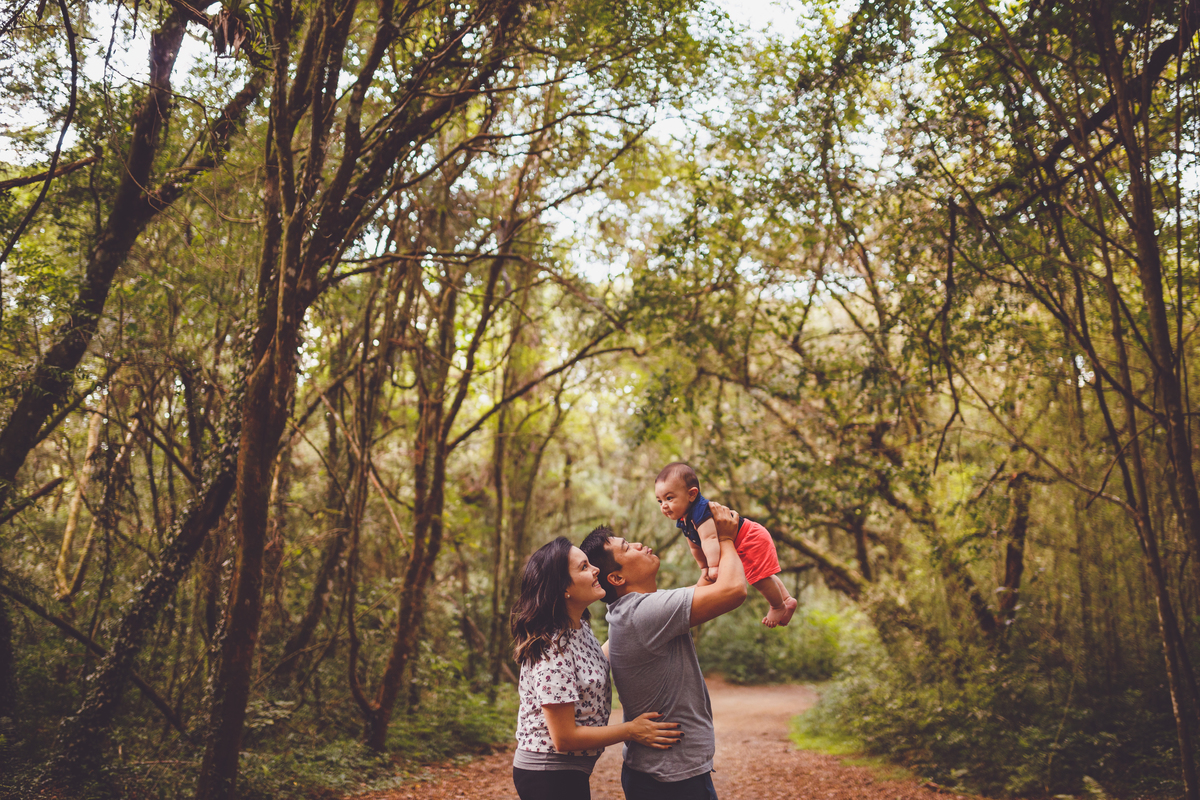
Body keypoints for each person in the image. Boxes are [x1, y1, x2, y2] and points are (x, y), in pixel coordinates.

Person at [580, 503, 744, 800]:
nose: (640, 545)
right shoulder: (644, 612)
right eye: (628, 547)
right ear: (616, 578)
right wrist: (727, 539)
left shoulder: (635, 610)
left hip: (665, 773)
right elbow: (734, 591)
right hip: (670, 779)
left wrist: (700, 535)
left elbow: (708, 587)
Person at [510, 536, 682, 800]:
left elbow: (596, 663)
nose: (596, 570)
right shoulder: (552, 652)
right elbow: (565, 738)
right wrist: (632, 730)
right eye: (583, 568)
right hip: (547, 775)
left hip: (565, 772)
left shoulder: (577, 630)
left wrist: (636, 624)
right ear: (562, 588)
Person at [654, 462, 797, 627]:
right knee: (761, 574)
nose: (664, 505)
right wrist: (704, 568)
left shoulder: (700, 511)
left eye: (669, 498)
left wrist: (714, 566)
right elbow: (695, 546)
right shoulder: (683, 519)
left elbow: (710, 540)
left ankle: (777, 606)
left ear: (692, 494)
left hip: (750, 538)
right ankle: (787, 600)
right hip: (741, 542)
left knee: (758, 578)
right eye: (660, 501)